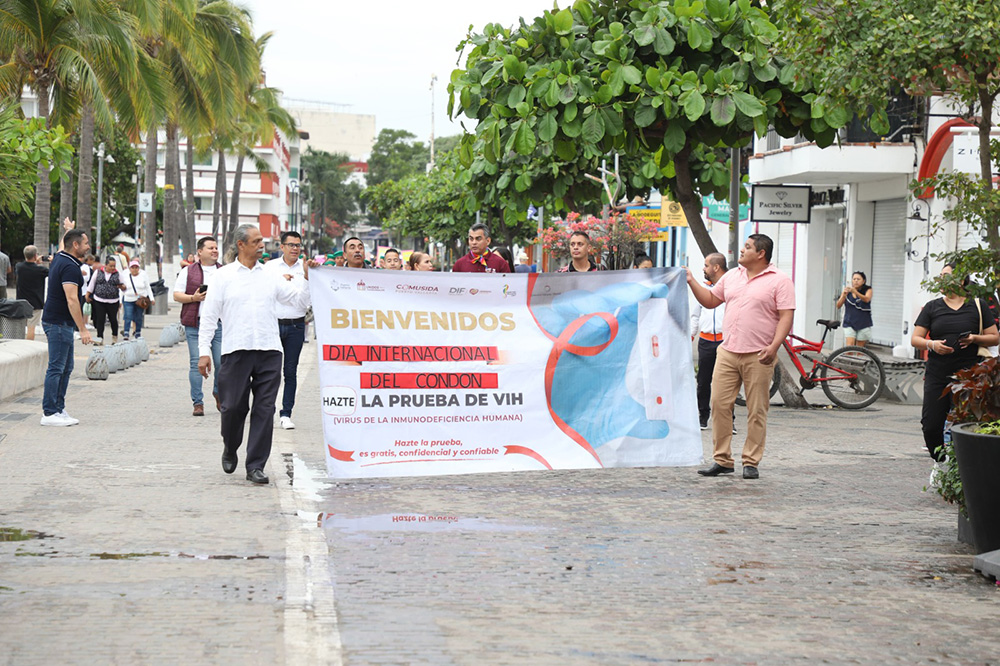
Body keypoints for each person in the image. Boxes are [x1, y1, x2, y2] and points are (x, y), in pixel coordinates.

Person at [198, 224, 312, 485]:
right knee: (233, 407)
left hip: (269, 351)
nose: (262, 245)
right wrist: (204, 352)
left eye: (263, 241)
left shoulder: (270, 274)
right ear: (241, 245)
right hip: (236, 351)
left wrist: (306, 279)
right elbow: (209, 317)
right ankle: (230, 444)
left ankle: (255, 465)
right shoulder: (223, 276)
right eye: (257, 241)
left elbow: (297, 303)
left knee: (264, 409)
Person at [685, 234, 795, 480]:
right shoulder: (732, 276)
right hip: (727, 351)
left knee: (757, 410)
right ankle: (722, 460)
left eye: (747, 247)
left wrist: (774, 347)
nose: (741, 251)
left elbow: (786, 316)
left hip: (759, 355)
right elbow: (712, 301)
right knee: (719, 404)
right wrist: (692, 281)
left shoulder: (780, 280)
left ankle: (751, 461)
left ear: (761, 254)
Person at [911, 264, 999, 468]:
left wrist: (974, 338)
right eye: (939, 276)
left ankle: (957, 468)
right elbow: (916, 339)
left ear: (960, 281)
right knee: (931, 425)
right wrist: (932, 344)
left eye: (945, 276)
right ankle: (940, 462)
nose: (940, 280)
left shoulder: (977, 305)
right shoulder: (932, 307)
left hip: (968, 376)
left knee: (962, 423)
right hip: (937, 374)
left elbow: (994, 338)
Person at [40, 229, 93, 426]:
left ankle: (59, 408)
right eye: (86, 243)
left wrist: (68, 229)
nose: (89, 246)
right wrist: (83, 329)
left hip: (60, 323)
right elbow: (72, 300)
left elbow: (64, 244)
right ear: (76, 246)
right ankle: (49, 412)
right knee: (56, 367)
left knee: (66, 367)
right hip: (58, 322)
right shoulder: (70, 267)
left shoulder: (61, 257)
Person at [264, 231, 311, 430]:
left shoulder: (306, 269)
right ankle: (265, 410)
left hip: (296, 325)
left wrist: (307, 278)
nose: (294, 249)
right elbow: (266, 294)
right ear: (281, 247)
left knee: (290, 371)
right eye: (290, 245)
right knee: (268, 372)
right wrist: (282, 284)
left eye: (298, 245)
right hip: (272, 325)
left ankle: (286, 413)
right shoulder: (269, 268)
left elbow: (304, 301)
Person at [174, 236, 223, 416]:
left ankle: (219, 392)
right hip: (195, 323)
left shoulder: (224, 272)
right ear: (200, 252)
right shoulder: (189, 271)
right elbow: (176, 295)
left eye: (216, 248)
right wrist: (193, 298)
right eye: (210, 248)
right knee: (196, 363)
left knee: (221, 362)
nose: (215, 251)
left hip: (219, 324)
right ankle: (198, 402)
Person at [690, 253, 734, 434]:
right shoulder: (702, 289)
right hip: (706, 341)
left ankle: (729, 421)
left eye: (706, 265)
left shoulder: (730, 288)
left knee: (727, 384)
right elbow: (695, 315)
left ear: (716, 267)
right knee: (703, 382)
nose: (703, 268)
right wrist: (690, 336)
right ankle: (702, 417)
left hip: (725, 343)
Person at [85, 256, 125, 344]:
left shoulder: (118, 274)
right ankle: (99, 339)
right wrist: (87, 295)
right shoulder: (98, 272)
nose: (113, 268)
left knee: (113, 320)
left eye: (114, 266)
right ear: (105, 265)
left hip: (113, 301)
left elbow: (124, 287)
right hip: (99, 300)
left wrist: (122, 287)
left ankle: (114, 337)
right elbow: (92, 284)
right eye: (111, 266)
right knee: (100, 320)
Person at [14, 245, 49, 341]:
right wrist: (39, 263)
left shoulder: (19, 267)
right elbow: (51, 272)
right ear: (35, 255)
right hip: (35, 302)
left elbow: (27, 266)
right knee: (31, 327)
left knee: (21, 326)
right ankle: (28, 344)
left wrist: (34, 261)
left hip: (21, 301)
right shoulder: (41, 270)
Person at [836, 271, 873, 346]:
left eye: (858, 279)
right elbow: (838, 305)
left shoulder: (868, 290)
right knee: (849, 346)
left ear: (863, 281)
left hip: (863, 323)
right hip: (849, 322)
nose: (856, 281)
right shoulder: (848, 291)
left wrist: (856, 292)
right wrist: (843, 295)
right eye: (854, 279)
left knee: (859, 349)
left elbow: (866, 299)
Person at [121, 259, 154, 340]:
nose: (134, 269)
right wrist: (119, 300)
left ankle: (138, 332)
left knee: (138, 316)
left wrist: (151, 298)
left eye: (136, 267)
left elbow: (148, 287)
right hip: (128, 299)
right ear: (129, 269)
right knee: (128, 316)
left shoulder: (143, 275)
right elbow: (121, 288)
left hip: (140, 300)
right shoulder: (125, 276)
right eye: (132, 267)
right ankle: (126, 332)